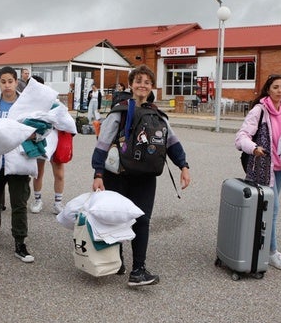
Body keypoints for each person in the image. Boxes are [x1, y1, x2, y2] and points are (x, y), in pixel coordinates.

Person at [90, 64, 191, 286]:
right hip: (117, 174)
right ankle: (116, 260)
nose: (142, 85)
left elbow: (171, 142)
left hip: (145, 176)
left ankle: (138, 270)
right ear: (131, 85)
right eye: (138, 81)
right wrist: (98, 173)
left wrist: (183, 165)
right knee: (116, 218)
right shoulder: (120, 111)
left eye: (147, 82)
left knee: (142, 221)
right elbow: (103, 142)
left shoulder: (158, 115)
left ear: (152, 86)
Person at [234, 74, 281, 271]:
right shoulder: (259, 111)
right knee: (273, 209)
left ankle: (256, 245)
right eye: (275, 87)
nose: (279, 90)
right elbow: (241, 137)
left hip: (278, 168)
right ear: (268, 90)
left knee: (266, 211)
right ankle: (272, 253)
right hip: (262, 169)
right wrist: (253, 148)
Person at [0, 66, 36, 263]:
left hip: (19, 159)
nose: (7, 85)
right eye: (3, 82)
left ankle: (20, 242)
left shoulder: (25, 104)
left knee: (19, 202)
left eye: (10, 81)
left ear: (16, 81)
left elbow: (37, 128)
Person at [28, 75, 67, 215]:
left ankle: (58, 203)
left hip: (55, 141)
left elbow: (65, 121)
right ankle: (38, 200)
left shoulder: (54, 102)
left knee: (59, 174)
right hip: (38, 141)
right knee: (37, 173)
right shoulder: (28, 104)